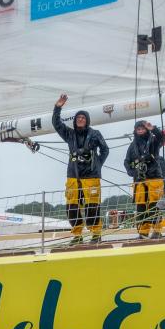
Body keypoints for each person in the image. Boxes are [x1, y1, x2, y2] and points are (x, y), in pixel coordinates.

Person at [52, 93, 110, 245]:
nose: (80, 120)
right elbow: (57, 124)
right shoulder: (69, 134)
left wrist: (97, 164)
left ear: (87, 121)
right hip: (73, 176)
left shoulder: (95, 134)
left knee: (92, 206)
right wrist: (57, 107)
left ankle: (96, 233)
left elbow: (105, 150)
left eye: (83, 118)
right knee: (72, 207)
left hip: (91, 176)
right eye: (78, 118)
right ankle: (77, 235)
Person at [124, 120, 165, 239]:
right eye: (138, 129)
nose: (140, 131)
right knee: (141, 207)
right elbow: (126, 162)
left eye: (142, 129)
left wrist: (152, 128)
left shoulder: (154, 140)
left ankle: (157, 231)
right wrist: (132, 172)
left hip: (154, 177)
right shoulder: (132, 146)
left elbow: (163, 137)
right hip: (139, 179)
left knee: (154, 206)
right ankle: (143, 232)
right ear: (135, 131)